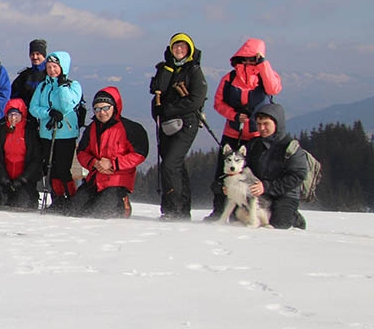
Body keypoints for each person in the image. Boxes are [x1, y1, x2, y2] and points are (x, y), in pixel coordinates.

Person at [206, 38, 282, 219]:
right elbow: (218, 103)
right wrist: (234, 115)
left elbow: (274, 89)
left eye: (253, 58)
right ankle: (219, 211)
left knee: (255, 177)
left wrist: (263, 64)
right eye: (246, 57)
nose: (249, 61)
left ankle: (255, 213)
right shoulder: (229, 78)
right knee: (224, 174)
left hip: (257, 134)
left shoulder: (266, 76)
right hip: (233, 133)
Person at [149, 33, 208, 220]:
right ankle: (181, 210)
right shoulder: (166, 68)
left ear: (189, 49)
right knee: (176, 165)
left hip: (186, 122)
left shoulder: (194, 70)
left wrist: (167, 109)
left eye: (183, 46)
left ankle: (173, 210)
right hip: (167, 124)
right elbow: (157, 89)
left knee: (170, 164)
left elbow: (196, 100)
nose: (179, 49)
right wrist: (167, 68)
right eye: (176, 46)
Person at [73, 88, 149, 218]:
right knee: (73, 211)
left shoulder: (130, 128)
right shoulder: (92, 129)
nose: (101, 112)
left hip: (117, 182)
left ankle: (122, 204)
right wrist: (94, 163)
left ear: (115, 107)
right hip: (95, 180)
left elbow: (139, 154)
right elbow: (81, 152)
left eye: (105, 108)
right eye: (97, 109)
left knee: (99, 214)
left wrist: (113, 163)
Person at [28, 51, 83, 214]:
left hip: (65, 134)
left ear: (63, 67)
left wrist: (62, 85)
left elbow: (67, 105)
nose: (52, 70)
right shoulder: (42, 86)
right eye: (49, 67)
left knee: (63, 169)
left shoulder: (73, 86)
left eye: (55, 67)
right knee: (50, 168)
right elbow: (33, 108)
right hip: (47, 133)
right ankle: (57, 199)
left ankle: (70, 199)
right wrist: (48, 113)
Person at [245, 103, 308, 229]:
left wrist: (267, 186)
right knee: (238, 217)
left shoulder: (291, 147)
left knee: (278, 224)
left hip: (286, 194)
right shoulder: (253, 145)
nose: (261, 128)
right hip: (261, 192)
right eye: (259, 124)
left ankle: (294, 217)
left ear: (277, 123)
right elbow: (244, 169)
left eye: (266, 124)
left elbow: (298, 175)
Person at [0, 99, 43, 209]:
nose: (13, 118)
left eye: (16, 115)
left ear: (22, 115)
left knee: (20, 205)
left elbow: (36, 158)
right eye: (10, 115)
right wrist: (3, 177)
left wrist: (23, 179)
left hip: (24, 180)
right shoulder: (1, 129)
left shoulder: (30, 131)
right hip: (5, 178)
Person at [11, 39, 48, 105]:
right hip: (27, 110)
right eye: (32, 54)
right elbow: (13, 96)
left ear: (44, 55)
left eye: (38, 54)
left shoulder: (50, 74)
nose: (35, 57)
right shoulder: (24, 76)